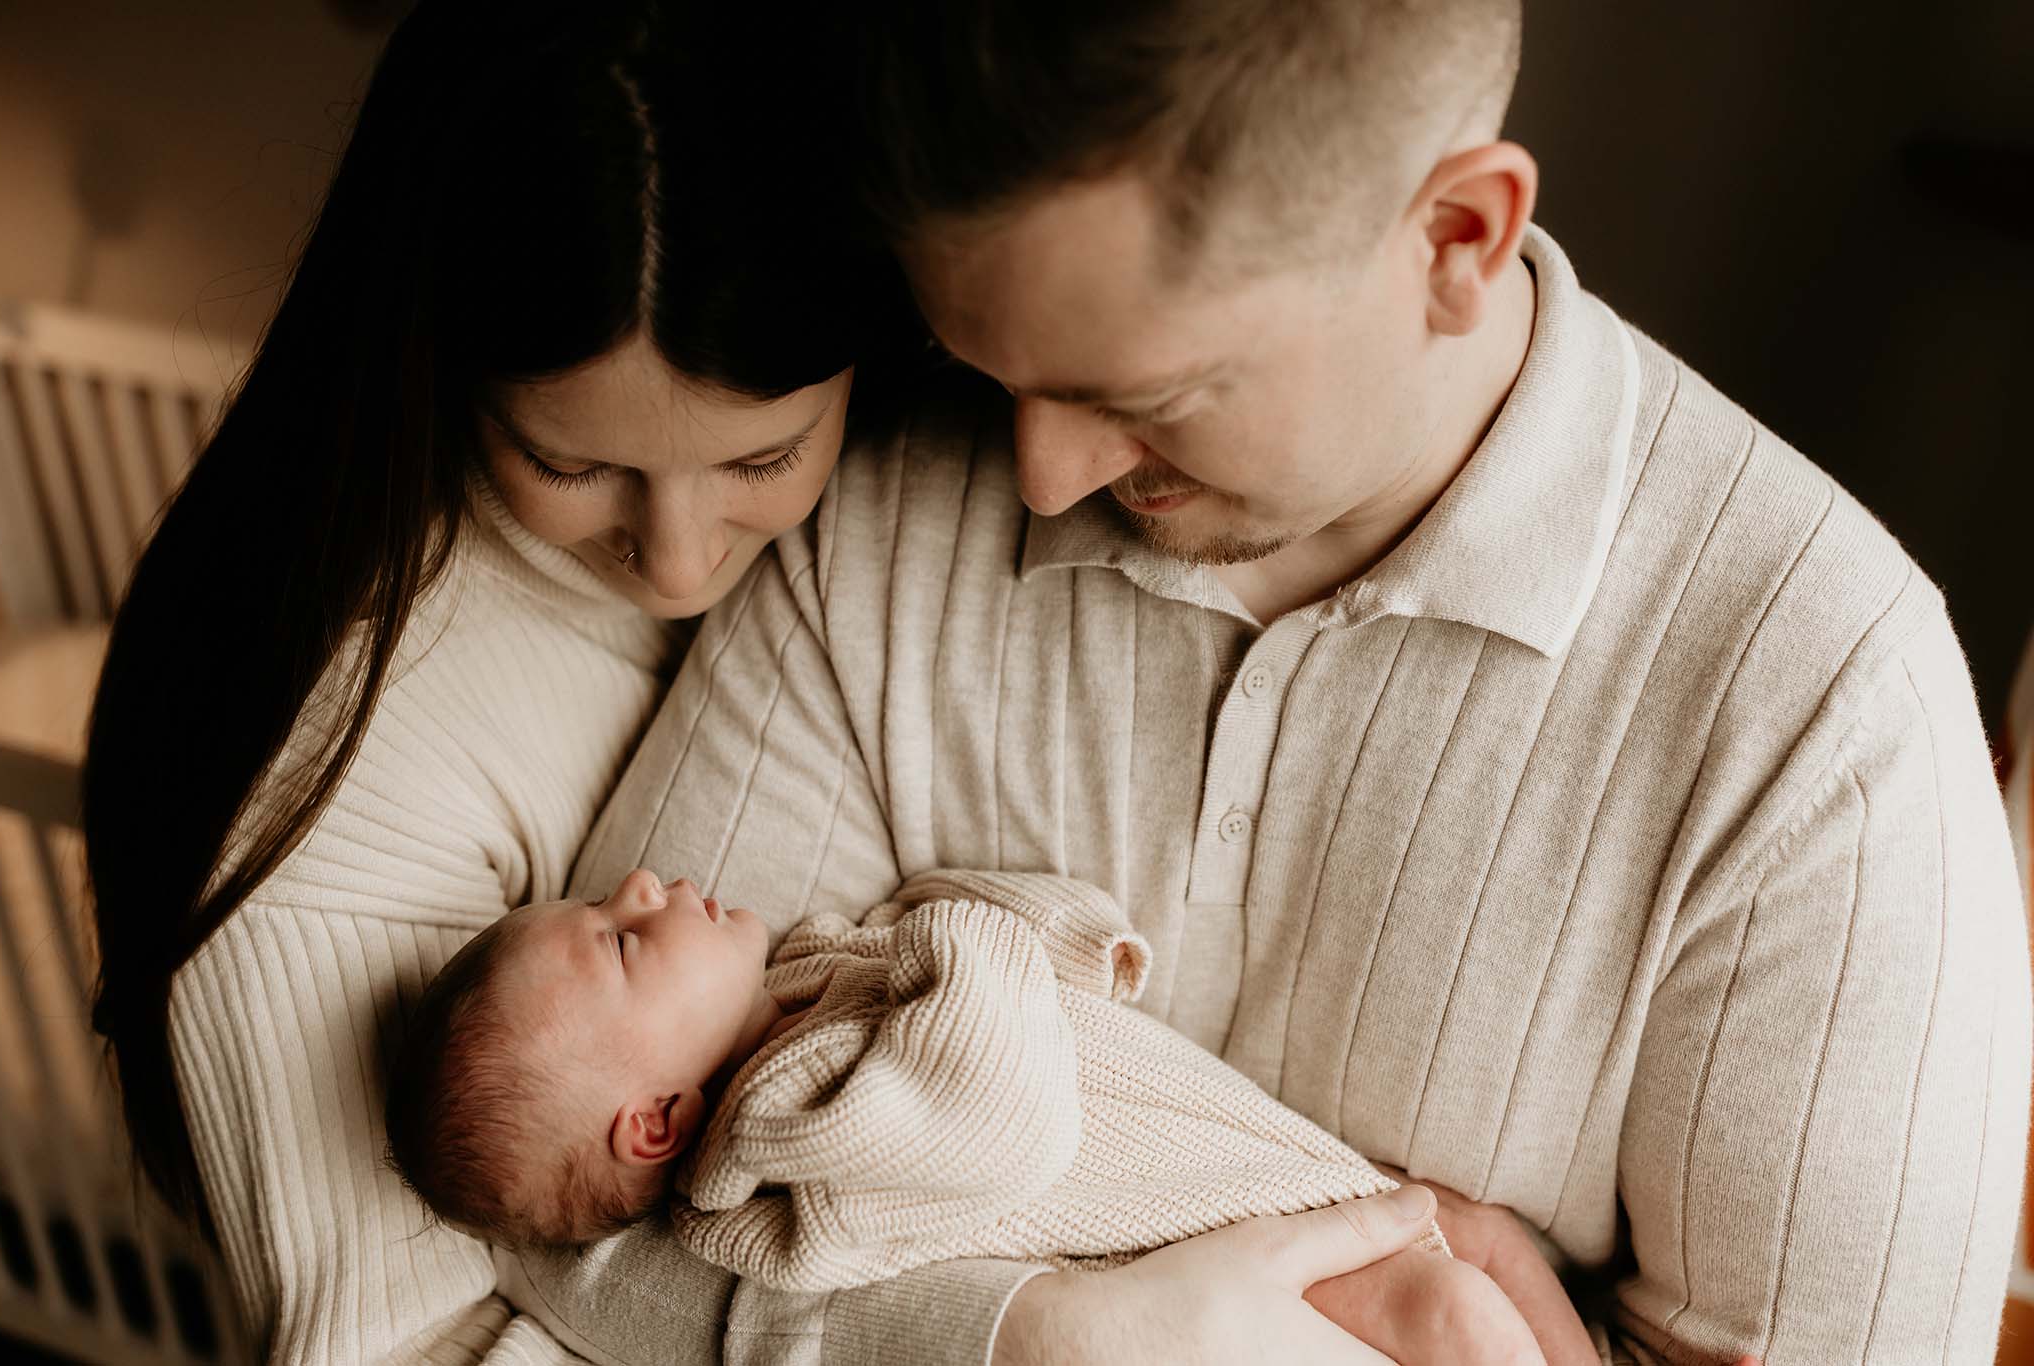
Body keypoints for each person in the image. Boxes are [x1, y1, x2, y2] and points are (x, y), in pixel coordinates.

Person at [525, 1, 2031, 1362]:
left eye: (1145, 399)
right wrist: (1040, 1341)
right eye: (992, 368)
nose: (1038, 472)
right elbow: (571, 1209)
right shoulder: (898, 496)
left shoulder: (1828, 721)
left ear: (1458, 236)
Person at [86, 3, 1355, 1363]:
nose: (681, 556)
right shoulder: (331, 759)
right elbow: (407, 1342)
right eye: (571, 467)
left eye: (761, 461)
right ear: (439, 358)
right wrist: (1012, 1332)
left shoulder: (941, 478)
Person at [383, 864, 1586, 1363]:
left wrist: (996, 921)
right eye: (622, 938)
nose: (642, 882)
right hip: (1223, 1268)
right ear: (654, 1126)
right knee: (1449, 1303)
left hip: (1274, 1176)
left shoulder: (799, 986)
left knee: (1478, 1236)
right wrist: (967, 933)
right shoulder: (789, 1127)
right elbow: (1006, 1113)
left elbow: (976, 928)